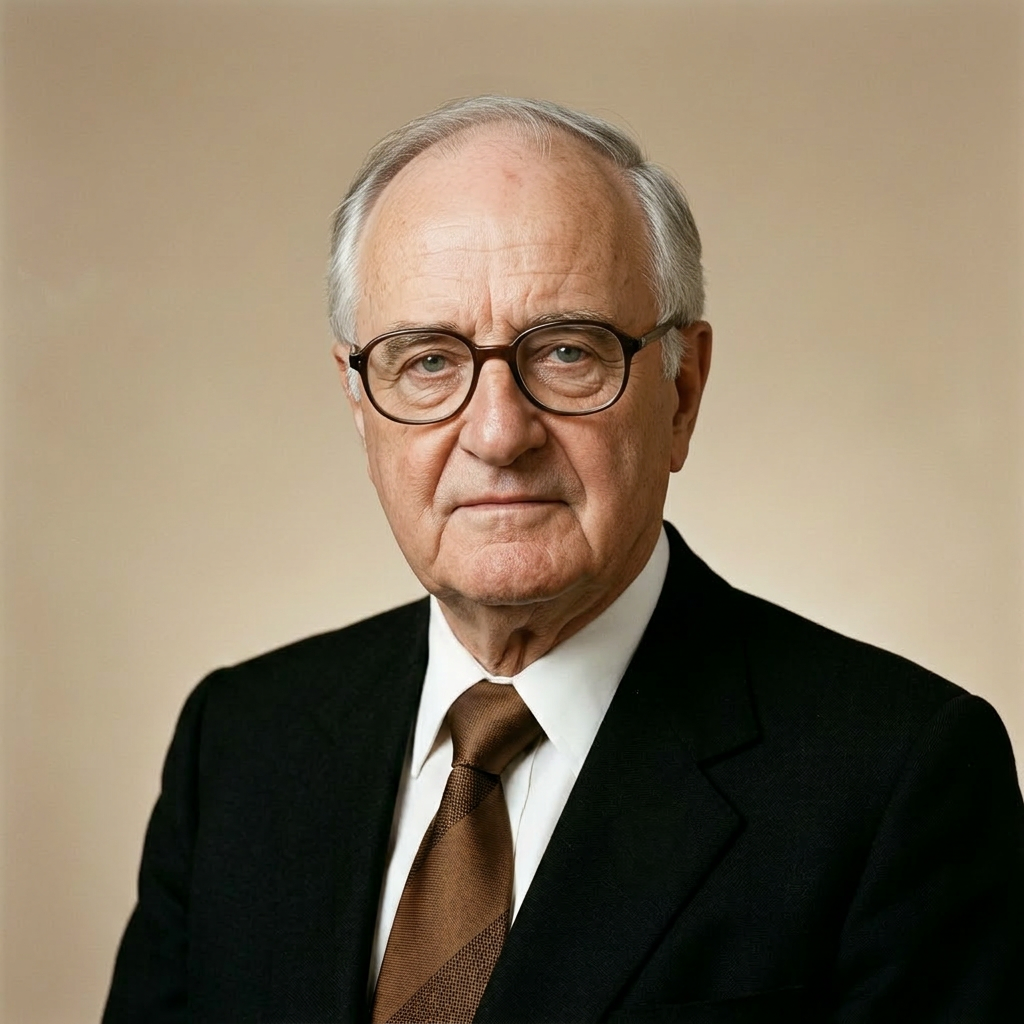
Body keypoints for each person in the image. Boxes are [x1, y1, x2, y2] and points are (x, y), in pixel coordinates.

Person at [103, 96, 1024, 1024]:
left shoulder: (899, 777)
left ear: (683, 392)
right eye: (427, 362)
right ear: (360, 404)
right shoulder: (239, 744)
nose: (499, 434)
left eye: (568, 352)